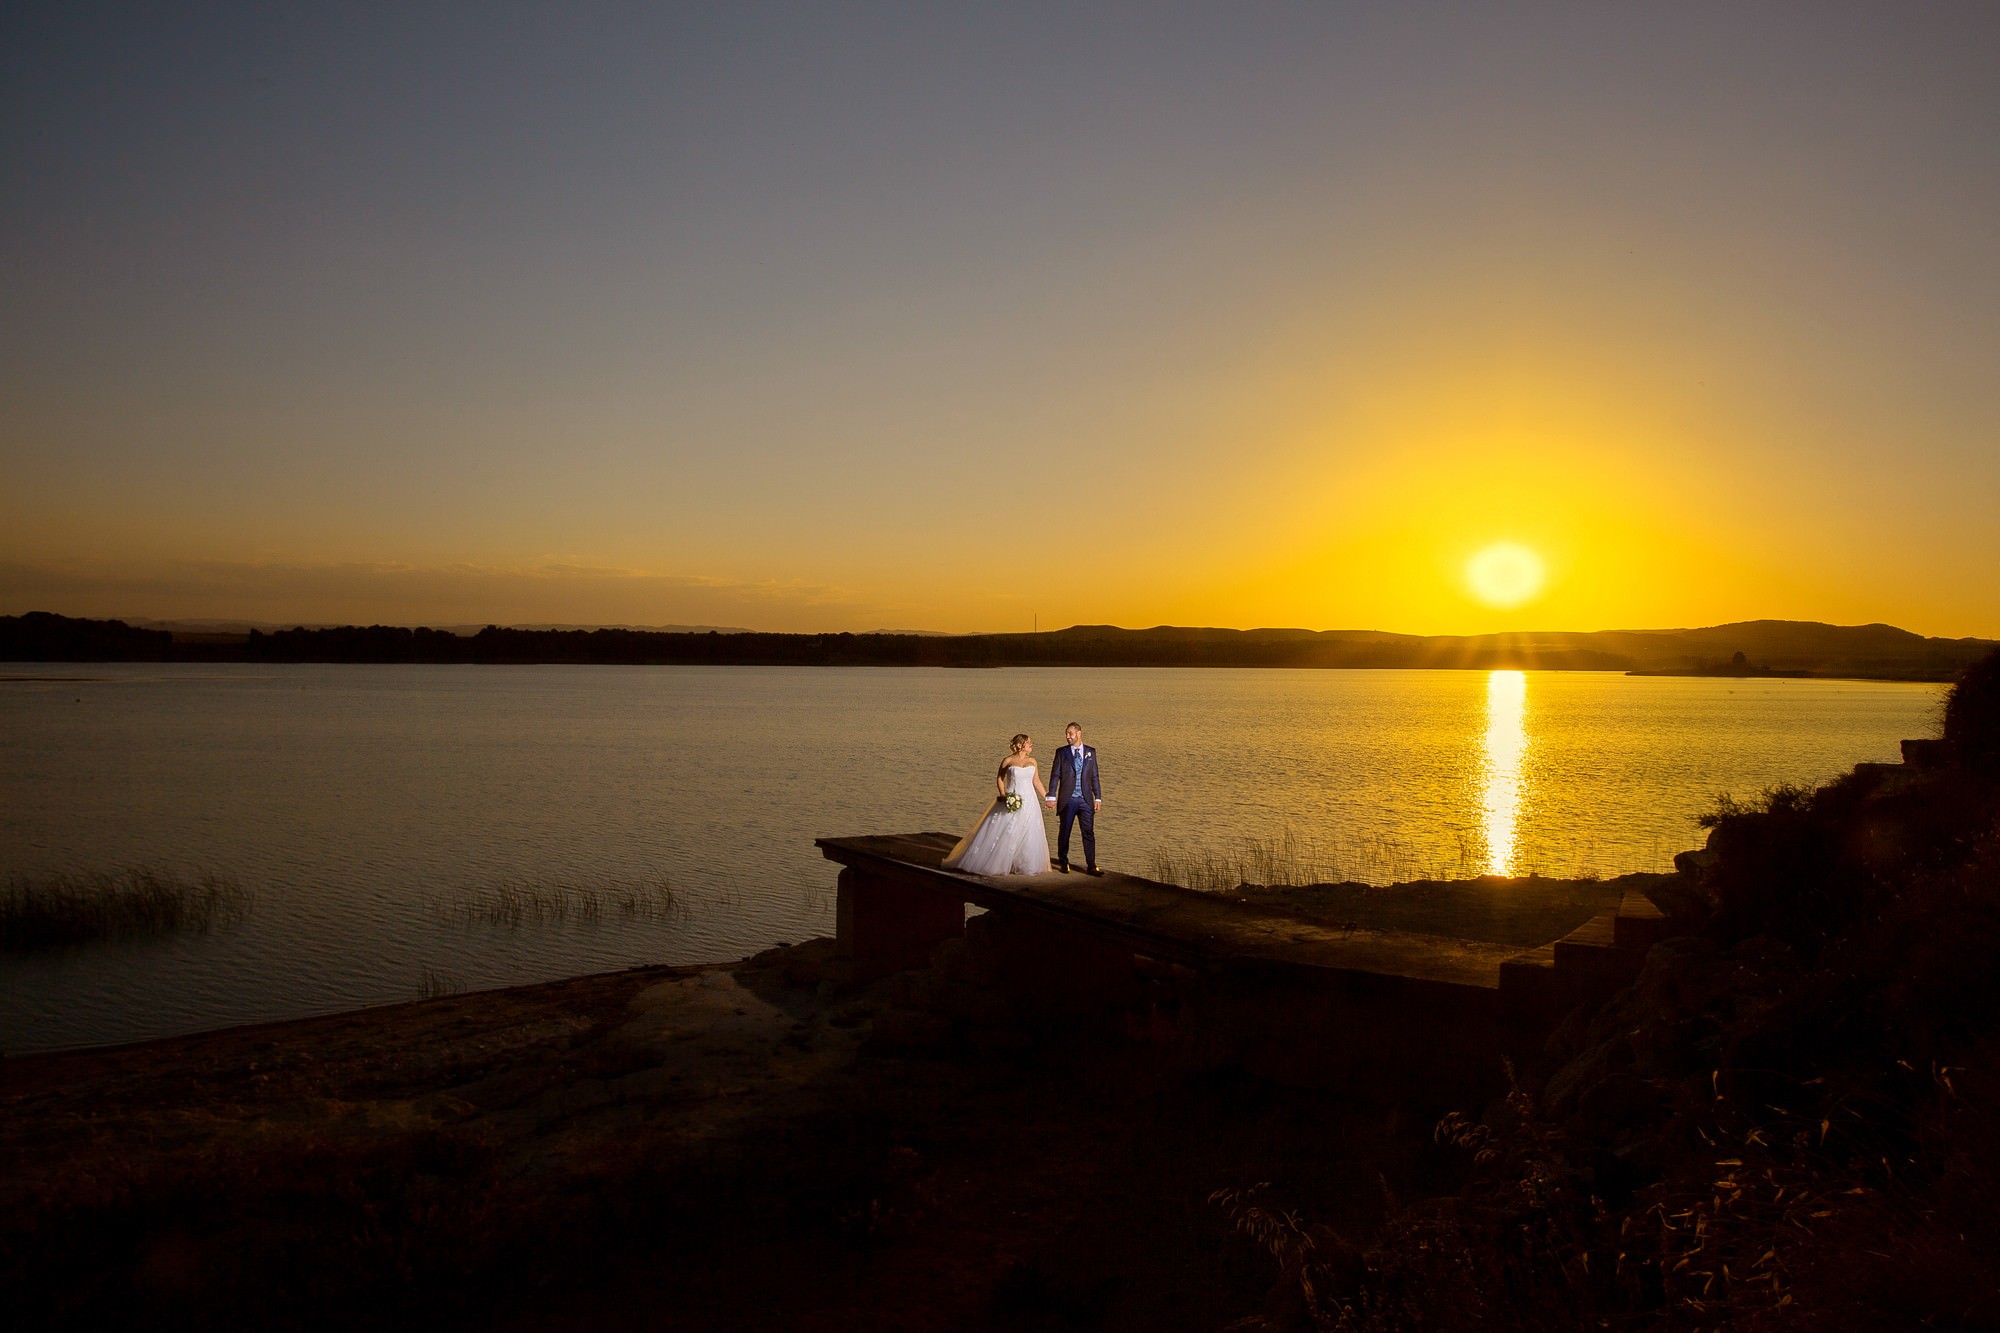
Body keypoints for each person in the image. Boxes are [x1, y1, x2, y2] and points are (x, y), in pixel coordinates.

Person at [941, 733, 1052, 876]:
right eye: (1028, 742)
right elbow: (1000, 778)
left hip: (1030, 801)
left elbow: (1036, 781)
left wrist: (1047, 798)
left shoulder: (1033, 761)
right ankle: (996, 862)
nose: (1031, 745)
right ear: (1019, 745)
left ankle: (1024, 864)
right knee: (1007, 830)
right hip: (1012, 798)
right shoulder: (1008, 760)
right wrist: (1004, 795)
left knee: (1029, 832)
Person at [1044, 722, 1102, 875]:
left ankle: (1091, 865)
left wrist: (1098, 798)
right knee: (1065, 831)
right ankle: (1063, 861)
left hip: (1086, 800)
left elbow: (1094, 776)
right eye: (1066, 734)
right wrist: (1051, 795)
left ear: (1079, 733)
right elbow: (1055, 775)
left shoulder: (1091, 752)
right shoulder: (1061, 753)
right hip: (1068, 799)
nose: (1067, 736)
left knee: (1088, 832)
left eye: (1070, 733)